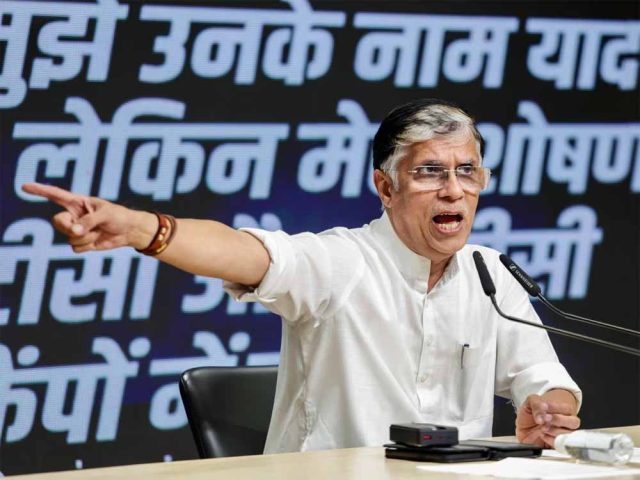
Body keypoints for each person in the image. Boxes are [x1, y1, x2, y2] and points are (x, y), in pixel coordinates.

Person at [22, 98, 581, 453]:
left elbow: (539, 374)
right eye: (431, 172)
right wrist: (141, 228)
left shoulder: (489, 272)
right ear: (386, 188)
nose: (454, 190)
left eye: (467, 172)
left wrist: (550, 407)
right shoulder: (343, 262)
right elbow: (245, 254)